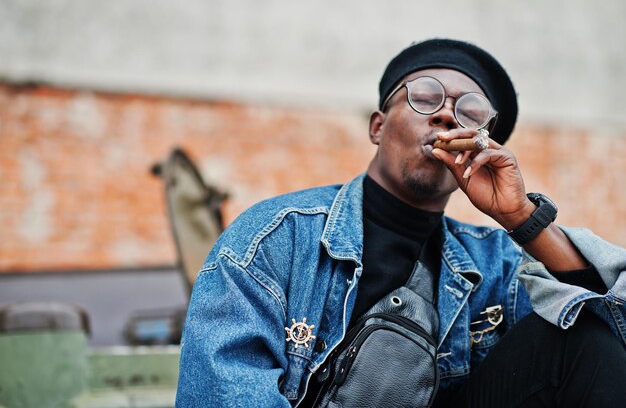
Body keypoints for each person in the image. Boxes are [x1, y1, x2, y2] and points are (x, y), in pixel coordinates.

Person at [175, 39, 626, 407]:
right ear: (377, 126)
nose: (447, 115)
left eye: (470, 113)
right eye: (425, 97)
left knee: (582, 330)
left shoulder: (497, 265)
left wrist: (521, 218)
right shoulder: (276, 239)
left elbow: (610, 329)